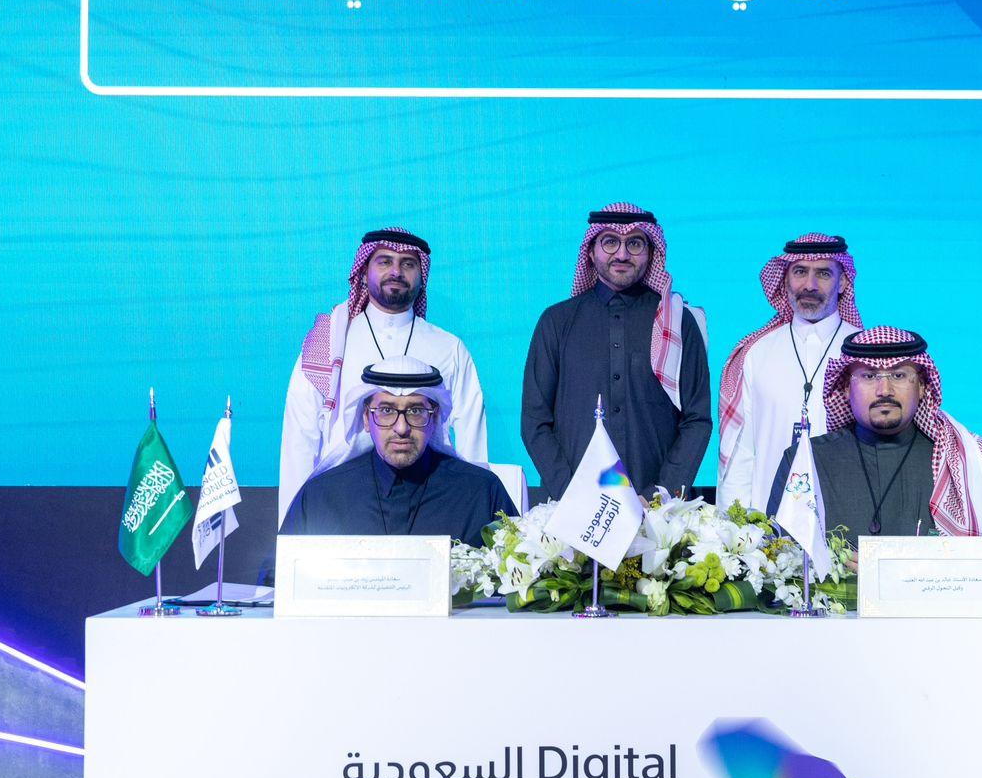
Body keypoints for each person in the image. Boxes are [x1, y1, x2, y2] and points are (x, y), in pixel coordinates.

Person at [767, 327, 982, 599]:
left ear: (923, 386)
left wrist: (892, 574)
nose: (884, 390)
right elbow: (780, 564)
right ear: (845, 388)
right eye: (868, 376)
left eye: (899, 375)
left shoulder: (973, 464)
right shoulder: (805, 462)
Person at [279, 227, 488, 526]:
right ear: (364, 273)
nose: (396, 271)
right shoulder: (329, 340)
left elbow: (471, 436)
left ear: (421, 276)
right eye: (385, 261)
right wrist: (290, 532)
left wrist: (478, 505)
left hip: (429, 497)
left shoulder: (448, 347)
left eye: (408, 264)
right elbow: (300, 437)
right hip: (341, 501)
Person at [521, 203, 712, 499]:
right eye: (610, 242)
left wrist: (660, 495)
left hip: (658, 510)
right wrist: (573, 494)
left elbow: (696, 419)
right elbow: (535, 421)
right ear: (591, 250)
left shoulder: (678, 322)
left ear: (651, 252)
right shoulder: (556, 322)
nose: (622, 254)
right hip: (571, 506)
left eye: (634, 243)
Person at [280, 359, 516, 539]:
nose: (401, 428)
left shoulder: (481, 492)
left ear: (434, 418)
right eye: (386, 411)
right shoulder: (321, 495)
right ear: (365, 418)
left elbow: (520, 575)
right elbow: (280, 577)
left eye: (415, 411)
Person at [716, 233, 863, 512]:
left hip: (844, 519)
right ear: (785, 279)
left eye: (823, 274)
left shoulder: (863, 354)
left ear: (843, 281)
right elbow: (739, 454)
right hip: (766, 524)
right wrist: (733, 527)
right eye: (800, 272)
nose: (809, 285)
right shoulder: (756, 352)